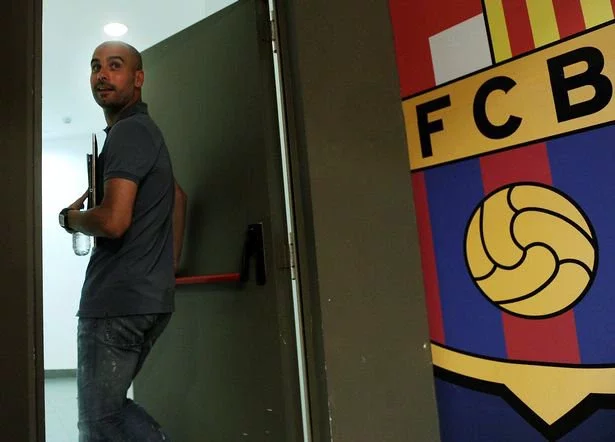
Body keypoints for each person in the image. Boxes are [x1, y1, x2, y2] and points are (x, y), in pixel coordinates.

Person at [58, 41, 187, 441]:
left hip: (115, 302)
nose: (102, 75)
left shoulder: (129, 132)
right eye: (96, 67)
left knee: (98, 421)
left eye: (115, 66)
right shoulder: (141, 132)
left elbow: (113, 221)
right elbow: (179, 198)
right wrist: (165, 270)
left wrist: (72, 219)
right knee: (108, 412)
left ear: (138, 78)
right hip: (144, 298)